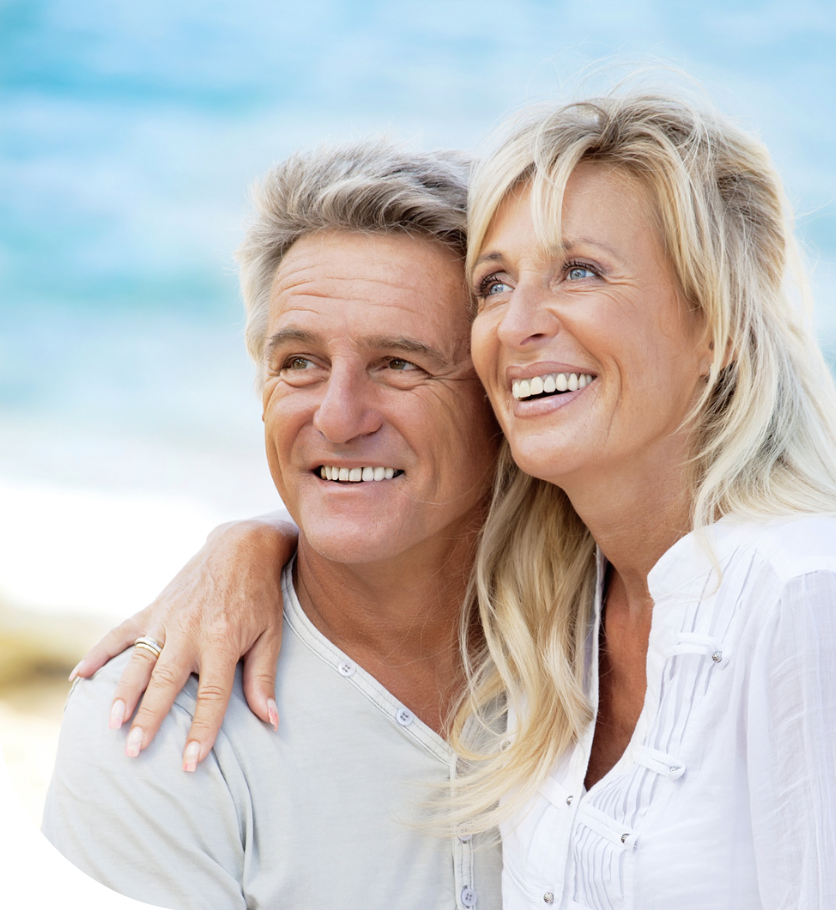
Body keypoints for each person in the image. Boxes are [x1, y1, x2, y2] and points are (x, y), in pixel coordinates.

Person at [74, 84, 836, 908]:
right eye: (495, 284)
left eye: (581, 270)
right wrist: (249, 544)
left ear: (720, 327)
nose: (516, 326)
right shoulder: (562, 601)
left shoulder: (809, 590)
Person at [42, 140, 504, 910]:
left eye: (399, 363)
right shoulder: (156, 726)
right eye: (300, 363)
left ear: (502, 394)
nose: (337, 416)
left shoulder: (610, 645)